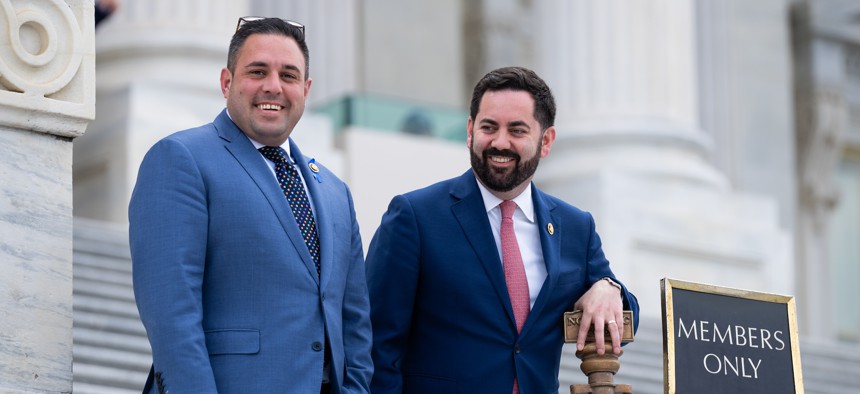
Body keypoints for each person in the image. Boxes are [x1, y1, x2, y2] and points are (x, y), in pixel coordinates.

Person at [129, 17, 372, 394]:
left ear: (306, 90)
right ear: (227, 82)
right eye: (257, 71)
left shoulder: (335, 192)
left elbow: (355, 322)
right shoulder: (181, 158)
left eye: (289, 76)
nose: (273, 86)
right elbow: (171, 313)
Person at [366, 66, 640, 393]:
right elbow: (375, 341)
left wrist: (610, 288)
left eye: (517, 130)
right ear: (470, 130)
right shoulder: (415, 216)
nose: (500, 142)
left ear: (546, 140)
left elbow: (626, 316)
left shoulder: (575, 227)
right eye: (488, 127)